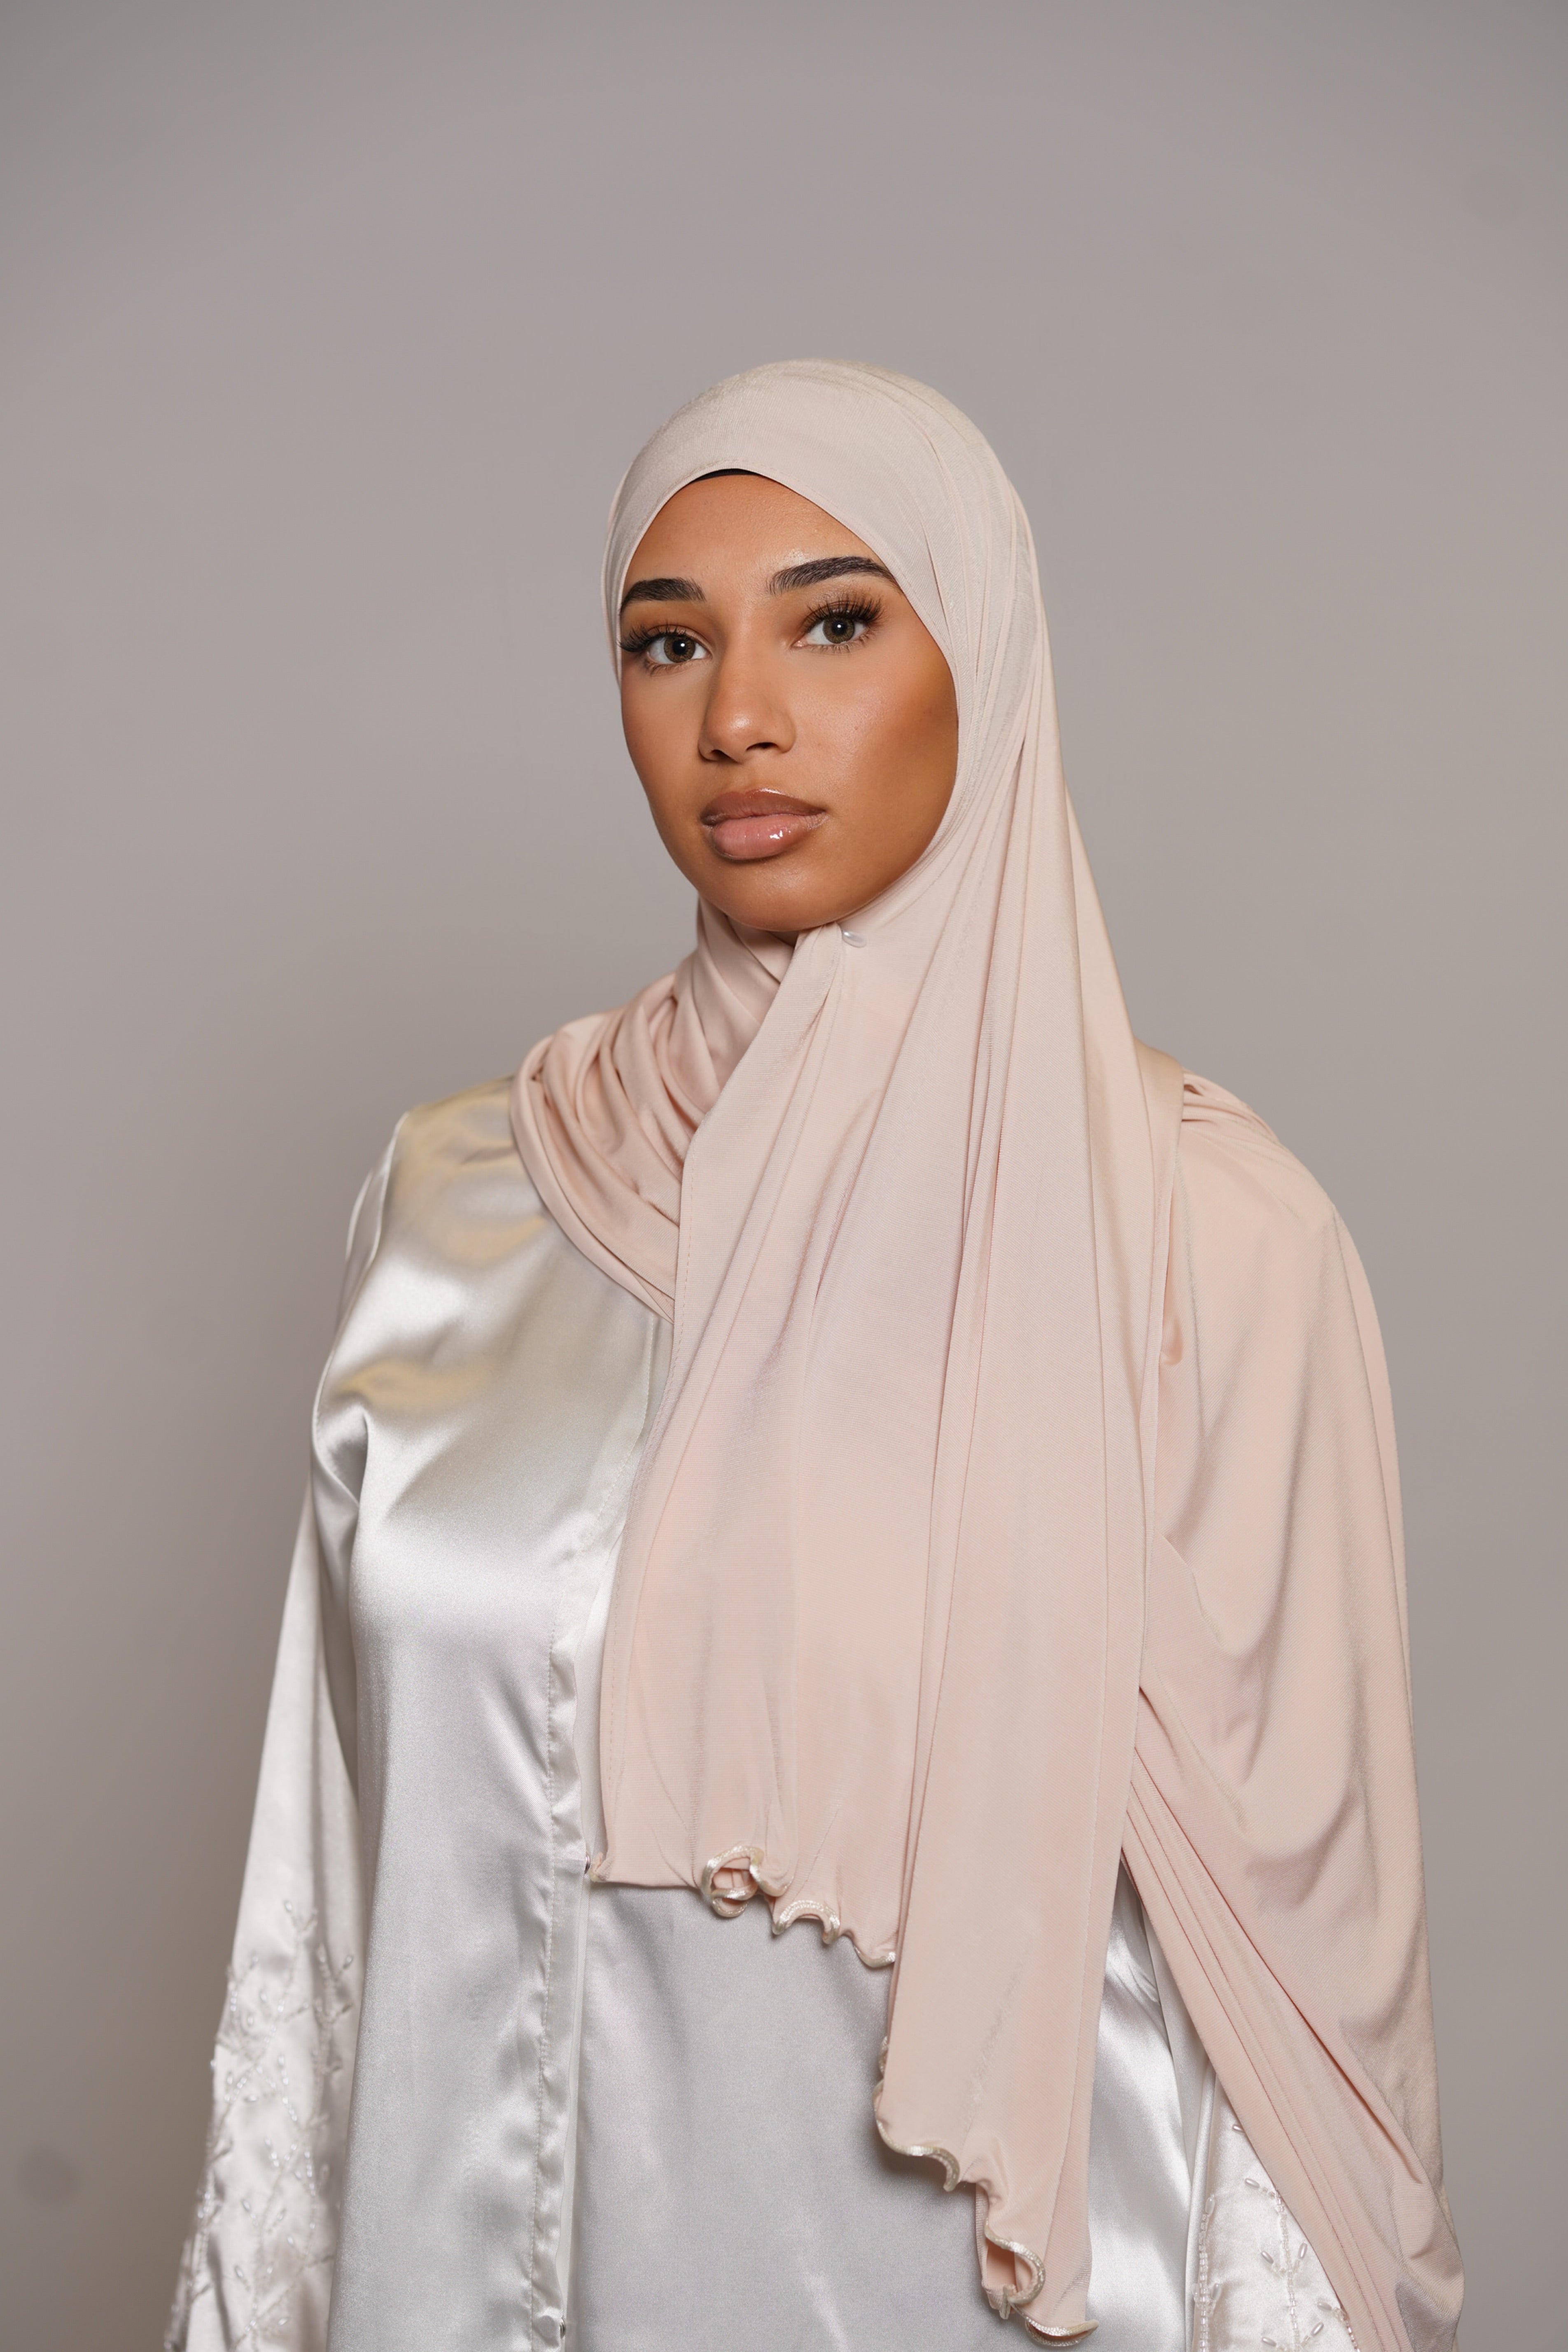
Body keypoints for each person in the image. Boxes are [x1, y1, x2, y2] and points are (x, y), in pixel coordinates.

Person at [166, 362, 1461, 2352]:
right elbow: (323, 1888)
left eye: (835, 624)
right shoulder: (455, 1199)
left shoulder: (1201, 1238)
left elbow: (1300, 2002)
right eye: (666, 643)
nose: (738, 720)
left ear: (985, 663)